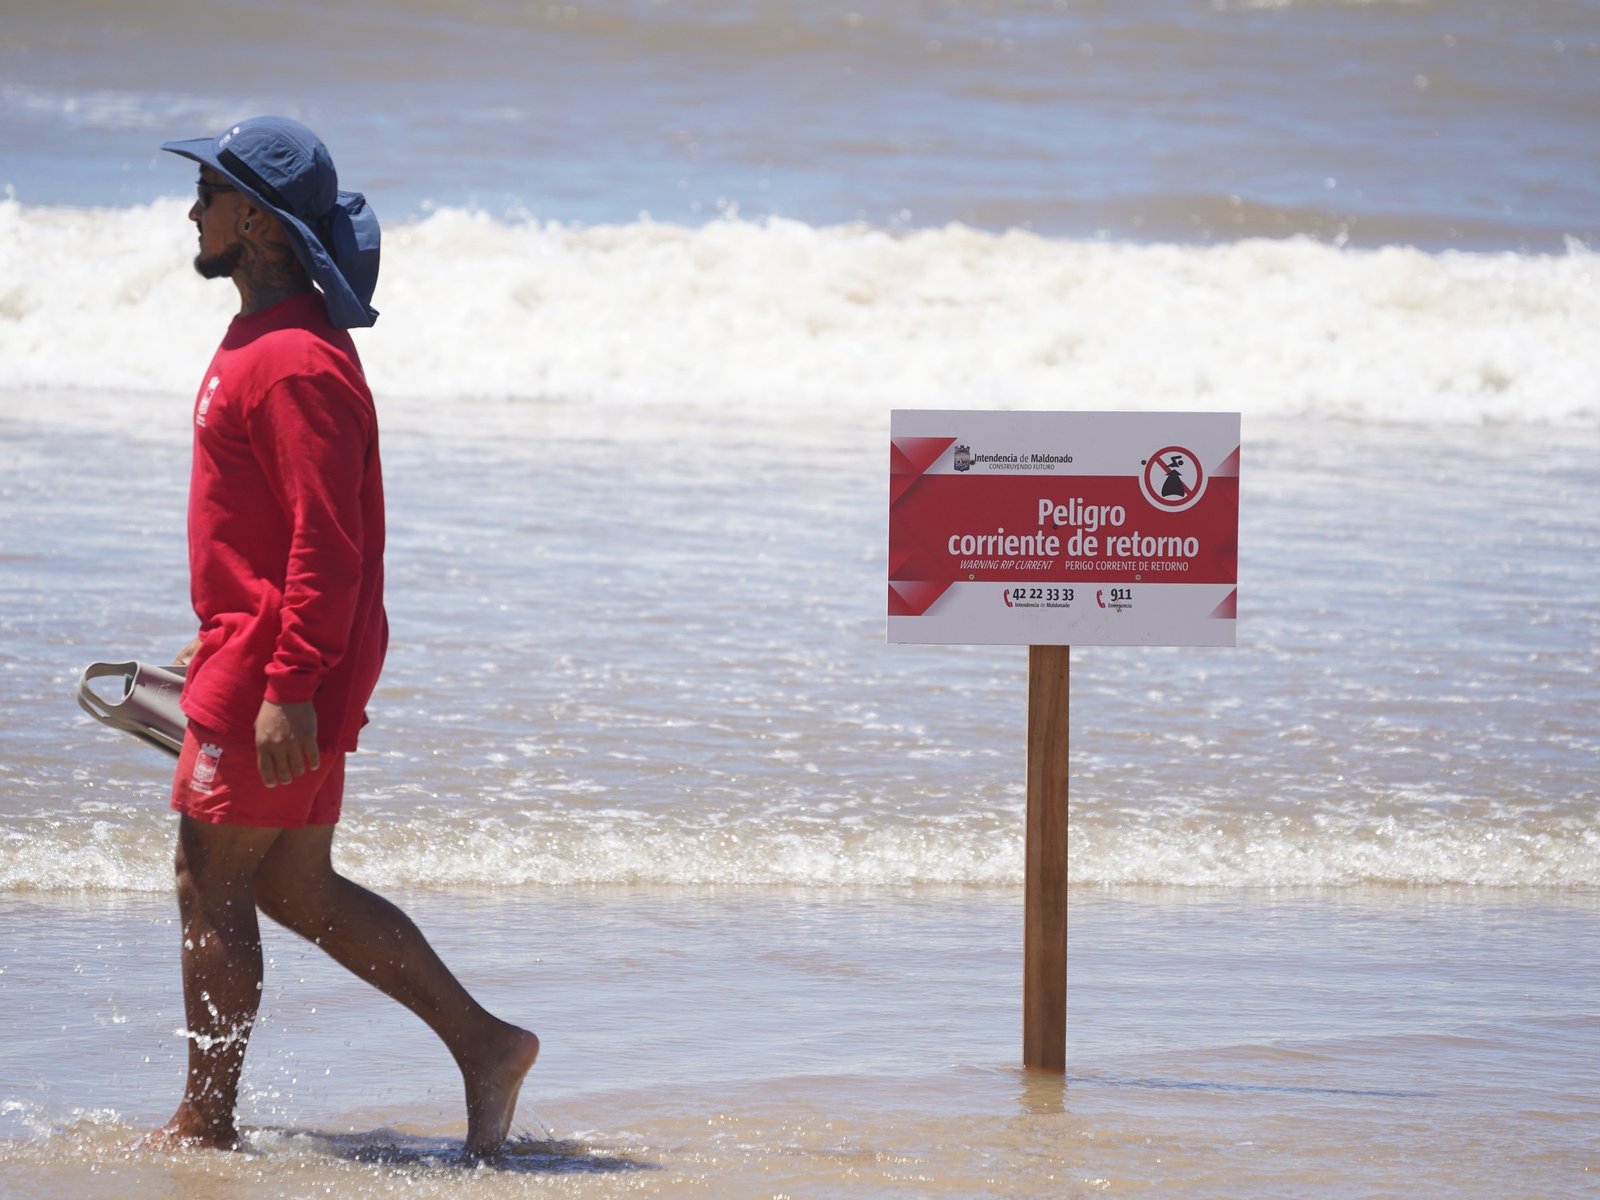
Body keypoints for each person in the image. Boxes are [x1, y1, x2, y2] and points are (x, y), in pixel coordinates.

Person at [149, 116, 538, 1155]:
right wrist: (224, 634)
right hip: (266, 648)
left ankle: (206, 1124)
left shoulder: (292, 363)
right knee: (289, 882)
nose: (195, 210)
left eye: (213, 193)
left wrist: (284, 680)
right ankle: (486, 1044)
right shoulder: (268, 344)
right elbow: (273, 531)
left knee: (210, 877)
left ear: (263, 225)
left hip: (285, 663)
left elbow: (333, 543)